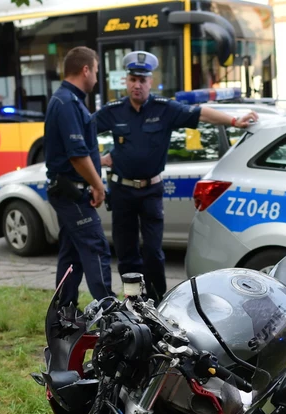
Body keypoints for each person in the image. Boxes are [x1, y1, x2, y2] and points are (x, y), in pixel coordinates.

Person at [95, 51, 258, 302]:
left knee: (152, 252)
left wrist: (234, 121)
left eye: (142, 79)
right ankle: (133, 303)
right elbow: (85, 130)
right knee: (127, 254)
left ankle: (159, 302)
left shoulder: (165, 109)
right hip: (122, 192)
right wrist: (98, 159)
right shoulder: (113, 111)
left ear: (150, 81)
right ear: (126, 82)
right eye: (132, 79)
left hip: (150, 191)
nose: (137, 84)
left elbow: (201, 113)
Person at [45, 46, 114, 308]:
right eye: (96, 70)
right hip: (71, 192)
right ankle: (111, 315)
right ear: (85, 69)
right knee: (96, 247)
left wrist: (100, 161)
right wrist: (98, 186)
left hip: (67, 190)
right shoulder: (68, 103)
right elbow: (76, 155)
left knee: (71, 255)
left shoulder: (64, 100)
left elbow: (74, 152)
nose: (96, 76)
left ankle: (64, 315)